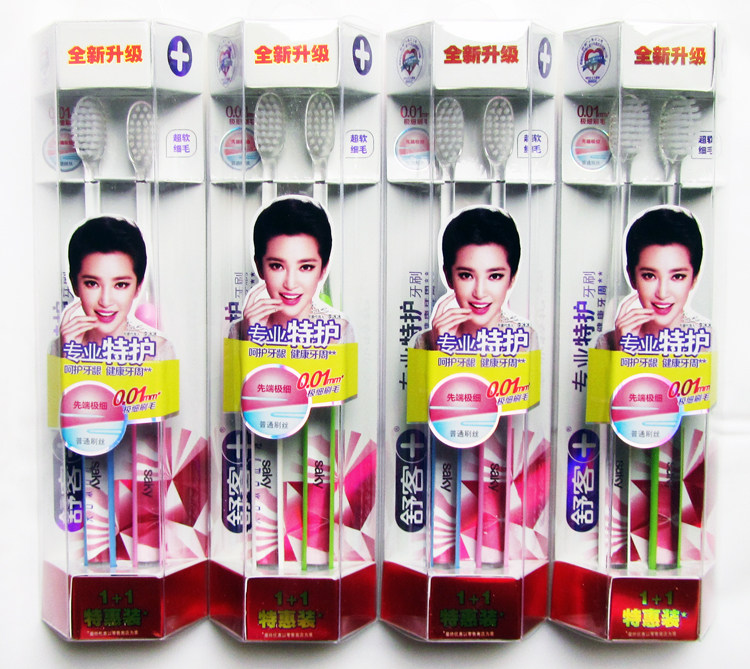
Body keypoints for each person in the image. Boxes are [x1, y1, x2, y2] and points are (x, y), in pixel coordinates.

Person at [230, 195, 353, 343]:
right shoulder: (240, 330)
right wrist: (250, 340)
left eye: (306, 267)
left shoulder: (339, 331)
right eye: (277, 266)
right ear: (259, 267)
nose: (290, 284)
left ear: (323, 270)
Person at [413, 205, 535, 350]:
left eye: (495, 276)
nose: (480, 293)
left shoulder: (526, 341)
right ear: (449, 277)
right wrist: (440, 352)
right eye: (466, 275)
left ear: (512, 278)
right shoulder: (426, 341)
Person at [58, 215, 173, 361]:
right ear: (75, 285)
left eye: (120, 285)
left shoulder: (158, 350)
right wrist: (68, 357)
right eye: (92, 283)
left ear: (138, 287)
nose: (105, 301)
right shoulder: (60, 347)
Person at [598, 205, 710, 351]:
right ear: (632, 277)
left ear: (694, 279)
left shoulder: (708, 341)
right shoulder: (607, 343)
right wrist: (623, 352)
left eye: (677, 276)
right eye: (649, 276)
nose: (662, 294)